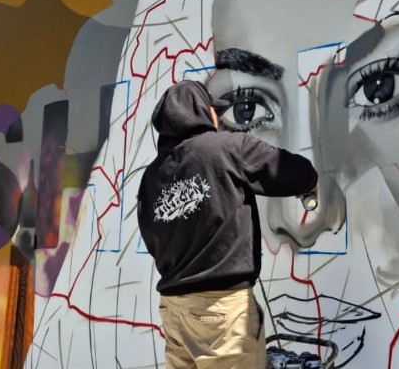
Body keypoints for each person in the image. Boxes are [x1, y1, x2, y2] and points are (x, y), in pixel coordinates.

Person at [136, 79, 318, 369]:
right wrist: (310, 183)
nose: (217, 116)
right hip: (222, 308)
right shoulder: (229, 148)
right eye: (214, 109)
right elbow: (291, 171)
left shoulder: (152, 175)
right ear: (203, 110)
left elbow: (150, 233)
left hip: (174, 307)